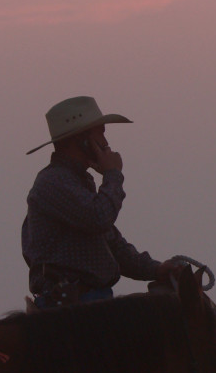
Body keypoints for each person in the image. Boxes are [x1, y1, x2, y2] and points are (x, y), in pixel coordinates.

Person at [22, 96, 182, 308]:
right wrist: (113, 174)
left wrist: (156, 269)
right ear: (82, 139)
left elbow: (111, 243)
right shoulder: (54, 182)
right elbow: (99, 218)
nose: (106, 142)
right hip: (71, 310)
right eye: (101, 132)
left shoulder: (74, 181)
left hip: (87, 302)